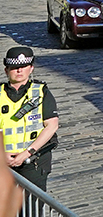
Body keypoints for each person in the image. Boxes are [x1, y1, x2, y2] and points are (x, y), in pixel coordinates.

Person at [1, 48, 59, 191]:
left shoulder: (41, 92)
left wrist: (28, 153)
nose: (19, 71)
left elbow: (51, 126)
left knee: (32, 210)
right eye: (14, 67)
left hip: (34, 162)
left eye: (23, 66)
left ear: (31, 68)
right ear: (6, 70)